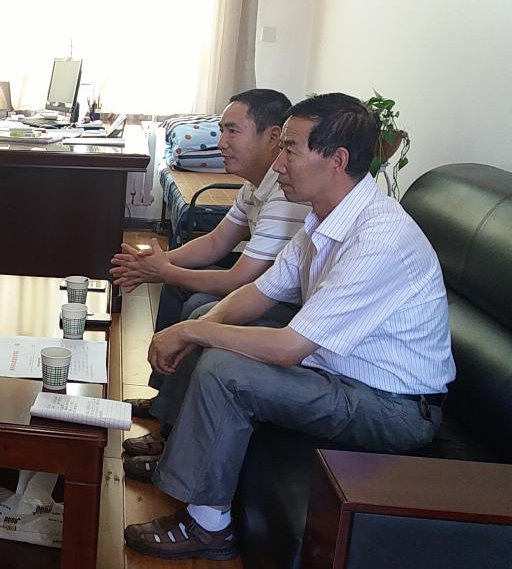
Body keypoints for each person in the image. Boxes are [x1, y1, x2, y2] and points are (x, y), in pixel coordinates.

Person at [122, 93, 455, 561]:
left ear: (337, 160)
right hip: (339, 371)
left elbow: (289, 348)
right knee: (205, 317)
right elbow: (260, 292)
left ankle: (210, 527)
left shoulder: (380, 239)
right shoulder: (323, 217)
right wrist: (202, 324)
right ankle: (179, 449)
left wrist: (193, 334)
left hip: (393, 407)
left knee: (225, 369)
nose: (278, 164)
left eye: (291, 150)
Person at [111, 89, 310, 456]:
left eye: (233, 131)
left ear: (272, 137)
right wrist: (163, 263)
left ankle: (172, 430)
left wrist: (163, 271)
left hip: (288, 308)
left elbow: (239, 279)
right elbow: (217, 242)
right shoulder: (257, 184)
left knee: (198, 305)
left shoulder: (286, 198)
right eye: (221, 131)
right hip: (264, 290)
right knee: (181, 290)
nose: (221, 143)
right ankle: (166, 399)